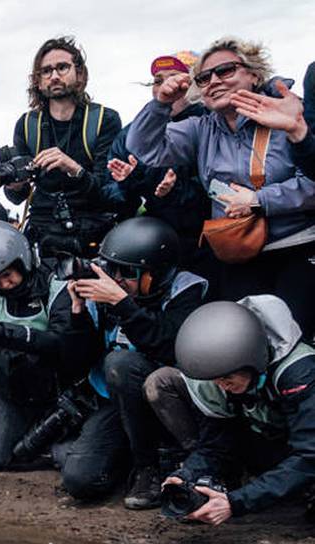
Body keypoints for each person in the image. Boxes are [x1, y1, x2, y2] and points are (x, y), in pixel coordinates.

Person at [126, 37, 315, 334]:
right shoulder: (202, 127)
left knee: (291, 337)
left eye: (225, 71)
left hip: (296, 246)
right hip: (237, 254)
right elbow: (144, 147)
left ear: (254, 74)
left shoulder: (288, 112)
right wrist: (160, 103)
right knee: (245, 343)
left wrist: (259, 200)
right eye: (203, 77)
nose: (213, 80)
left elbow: (312, 184)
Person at [63, 217, 207, 505]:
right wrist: (78, 312)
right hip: (119, 403)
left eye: (127, 271)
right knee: (80, 480)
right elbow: (76, 363)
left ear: (155, 272)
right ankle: (131, 460)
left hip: (171, 399)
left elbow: (170, 346)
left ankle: (149, 468)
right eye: (112, 268)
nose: (116, 278)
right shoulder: (104, 294)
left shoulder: (186, 289)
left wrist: (123, 305)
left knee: (122, 363)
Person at [147, 298, 315, 525]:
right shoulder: (220, 375)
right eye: (215, 379)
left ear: (255, 361)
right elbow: (216, 445)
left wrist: (236, 503)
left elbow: (309, 458)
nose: (221, 385)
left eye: (227, 378)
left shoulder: (298, 374)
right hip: (274, 440)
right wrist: (186, 475)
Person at [0, 221, 99, 472]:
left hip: (58, 390)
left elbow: (62, 342)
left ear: (23, 261)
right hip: (12, 392)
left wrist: (5, 334)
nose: (4, 285)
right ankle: (33, 442)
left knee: (66, 457)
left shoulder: (56, 284)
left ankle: (44, 443)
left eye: (8, 275)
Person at [4, 37, 123, 268]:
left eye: (62, 67)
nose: (55, 76)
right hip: (44, 236)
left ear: (80, 74)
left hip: (94, 234)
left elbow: (109, 193)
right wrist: (14, 185)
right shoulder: (27, 124)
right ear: (37, 81)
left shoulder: (103, 120)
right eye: (46, 71)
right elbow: (18, 197)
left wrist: (74, 168)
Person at [102, 52, 213, 281]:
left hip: (204, 247)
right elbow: (109, 193)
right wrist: (130, 183)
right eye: (158, 80)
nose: (166, 86)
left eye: (175, 77)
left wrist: (174, 191)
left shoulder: (210, 123)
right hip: (148, 251)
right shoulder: (132, 134)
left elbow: (215, 191)